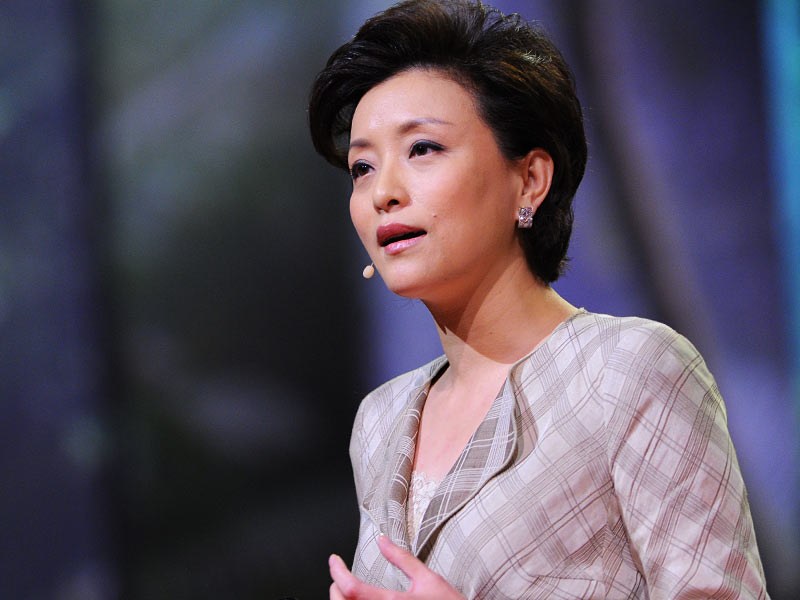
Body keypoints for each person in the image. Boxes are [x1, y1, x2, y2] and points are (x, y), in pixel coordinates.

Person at [308, 1, 769, 598]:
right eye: (362, 167)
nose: (382, 193)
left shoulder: (628, 370)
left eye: (422, 148)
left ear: (529, 180)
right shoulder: (382, 421)